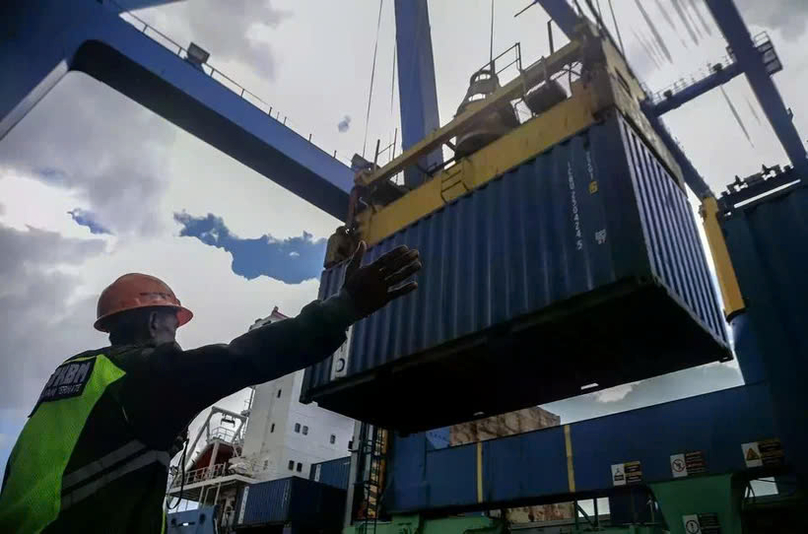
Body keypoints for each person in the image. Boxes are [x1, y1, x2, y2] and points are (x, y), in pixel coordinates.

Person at [0, 242, 420, 533]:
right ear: (152, 323)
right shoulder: (143, 375)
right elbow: (242, 359)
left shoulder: (73, 373)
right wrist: (345, 306)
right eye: (173, 324)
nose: (176, 336)